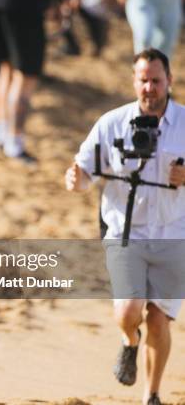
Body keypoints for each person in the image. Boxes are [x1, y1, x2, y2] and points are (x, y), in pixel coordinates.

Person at [65, 48, 185, 405]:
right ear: (134, 81)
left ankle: (152, 394)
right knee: (129, 311)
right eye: (143, 80)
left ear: (170, 81)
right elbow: (84, 171)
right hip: (123, 230)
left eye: (156, 80)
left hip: (173, 232)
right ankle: (129, 341)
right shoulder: (111, 123)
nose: (149, 87)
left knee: (159, 319)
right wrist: (76, 179)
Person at [0, 0, 49, 162]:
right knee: (25, 76)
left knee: (6, 69)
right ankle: (15, 142)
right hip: (23, 5)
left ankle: (2, 136)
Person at [117, 0, 182, 59]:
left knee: (164, 48)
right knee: (144, 37)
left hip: (170, 2)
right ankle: (142, 68)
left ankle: (156, 68)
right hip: (144, 1)